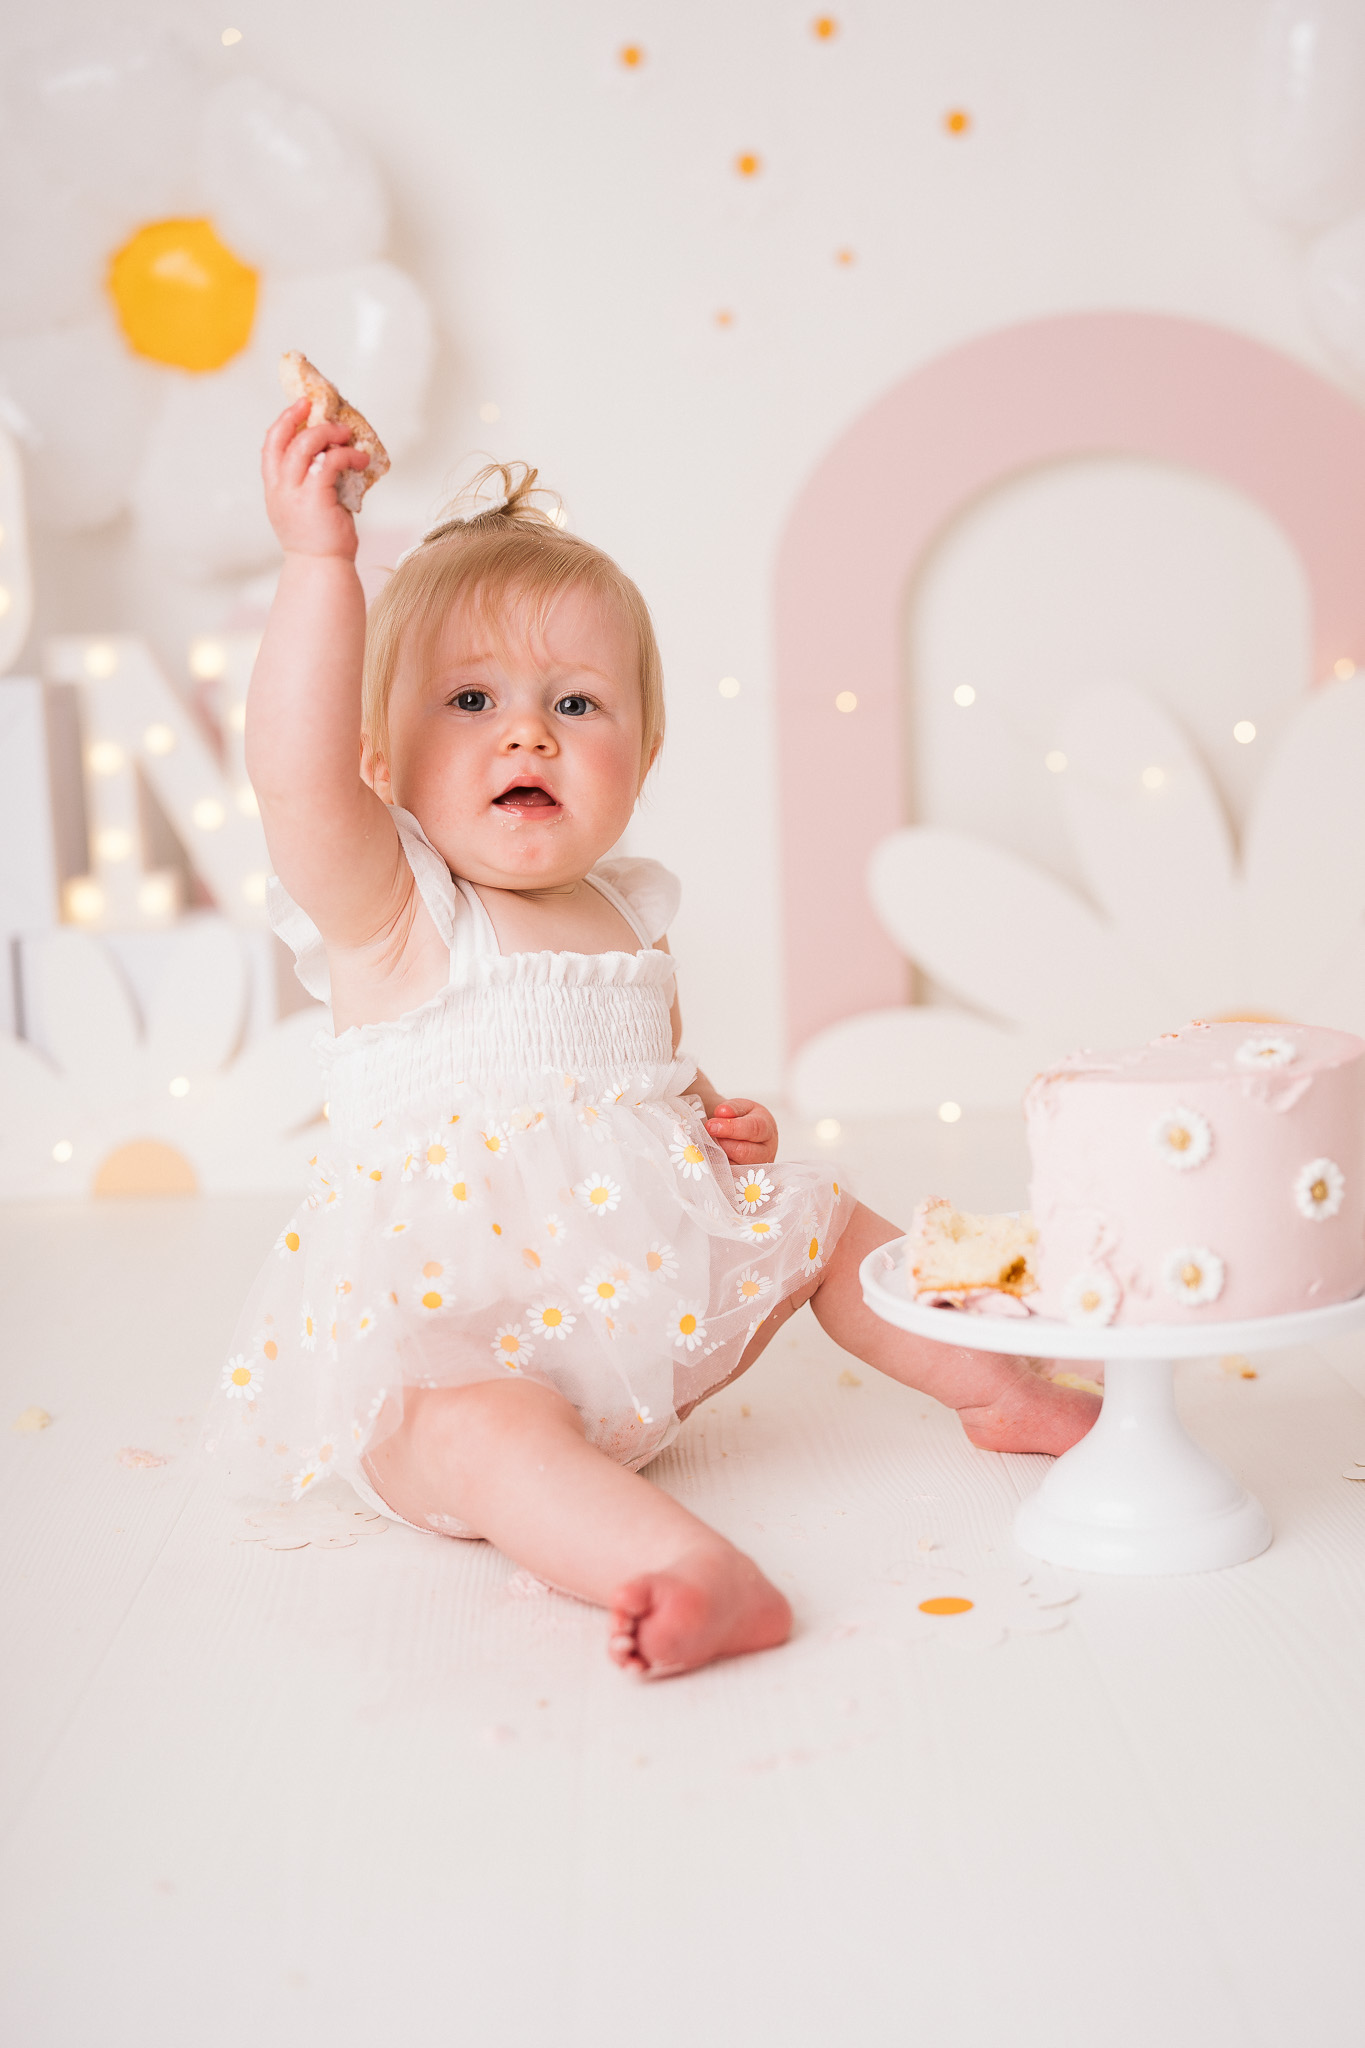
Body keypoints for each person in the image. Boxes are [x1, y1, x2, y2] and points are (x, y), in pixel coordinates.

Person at [208, 399, 1098, 1680]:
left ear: (644, 754)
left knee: (827, 1220)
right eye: (470, 699)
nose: (529, 732)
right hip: (457, 1358)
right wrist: (317, 564)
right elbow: (293, 773)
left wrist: (718, 1128)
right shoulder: (397, 912)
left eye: (577, 702)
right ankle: (685, 1567)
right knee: (480, 1433)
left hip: (634, 1323)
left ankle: (996, 1381)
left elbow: (646, 1090)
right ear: (378, 757)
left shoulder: (627, 914)